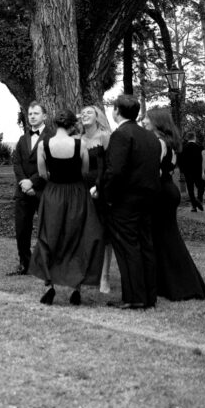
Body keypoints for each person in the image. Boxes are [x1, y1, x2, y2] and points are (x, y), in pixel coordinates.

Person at [29, 109, 103, 306]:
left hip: (53, 194)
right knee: (77, 237)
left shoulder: (43, 145)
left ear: (55, 124)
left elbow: (43, 174)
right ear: (72, 126)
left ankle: (50, 287)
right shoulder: (81, 144)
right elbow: (84, 171)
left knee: (49, 237)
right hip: (77, 194)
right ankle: (76, 289)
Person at [142, 108, 205, 301]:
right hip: (167, 190)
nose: (143, 121)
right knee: (163, 238)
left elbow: (152, 169)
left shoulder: (159, 142)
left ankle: (182, 285)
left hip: (160, 192)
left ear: (157, 122)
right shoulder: (169, 142)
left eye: (147, 118)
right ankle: (167, 283)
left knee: (167, 239)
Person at [102, 94, 161, 310]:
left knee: (128, 247)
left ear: (116, 111)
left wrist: (107, 196)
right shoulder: (150, 137)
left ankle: (134, 296)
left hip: (126, 200)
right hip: (148, 199)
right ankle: (149, 296)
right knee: (145, 245)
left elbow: (115, 171)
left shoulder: (121, 135)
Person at [9, 101, 50, 276]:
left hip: (43, 190)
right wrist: (24, 183)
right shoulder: (22, 139)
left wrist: (33, 183)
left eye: (36, 113)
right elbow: (16, 163)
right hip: (22, 192)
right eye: (30, 114)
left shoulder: (52, 137)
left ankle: (45, 265)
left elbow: (51, 165)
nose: (32, 116)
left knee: (46, 230)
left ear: (45, 116)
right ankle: (24, 264)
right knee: (22, 230)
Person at [79, 104, 114, 294]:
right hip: (82, 190)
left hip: (100, 189)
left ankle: (105, 277)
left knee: (104, 234)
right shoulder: (78, 139)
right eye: (82, 113)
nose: (85, 114)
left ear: (97, 116)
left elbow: (110, 166)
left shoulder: (105, 136)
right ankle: (88, 272)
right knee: (85, 232)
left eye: (89, 112)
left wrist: (99, 186)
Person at [179, 131, 205, 212]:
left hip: (187, 171)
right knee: (201, 186)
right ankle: (199, 199)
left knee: (190, 189)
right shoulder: (200, 147)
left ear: (187, 138)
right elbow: (203, 160)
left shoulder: (183, 148)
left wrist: (182, 171)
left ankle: (194, 206)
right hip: (198, 171)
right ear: (194, 137)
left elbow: (180, 161)